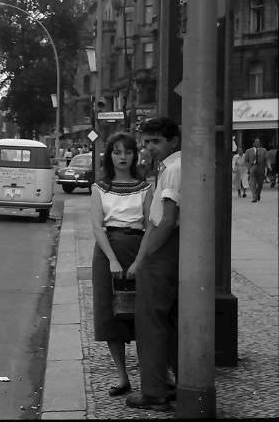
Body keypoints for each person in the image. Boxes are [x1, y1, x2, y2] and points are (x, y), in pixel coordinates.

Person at [90, 132, 153, 398]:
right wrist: (113, 259)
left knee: (145, 314)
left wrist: (140, 260)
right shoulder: (99, 187)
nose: (122, 157)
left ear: (134, 155)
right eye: (117, 152)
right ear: (110, 156)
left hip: (139, 247)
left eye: (127, 152)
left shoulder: (145, 187)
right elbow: (97, 226)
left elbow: (151, 226)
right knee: (109, 314)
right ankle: (122, 376)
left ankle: (152, 377)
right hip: (107, 252)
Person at [125, 116, 181, 412]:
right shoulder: (170, 167)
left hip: (163, 250)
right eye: (146, 142)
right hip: (167, 247)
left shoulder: (173, 169)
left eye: (155, 141)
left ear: (173, 140)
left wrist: (144, 257)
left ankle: (155, 390)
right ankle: (169, 382)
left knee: (150, 322)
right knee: (167, 321)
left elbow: (167, 220)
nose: (149, 147)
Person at [244, 137, 267, 203]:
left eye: (258, 142)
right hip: (252, 167)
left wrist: (268, 166)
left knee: (260, 184)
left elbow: (266, 159)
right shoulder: (248, 151)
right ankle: (254, 197)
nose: (257, 143)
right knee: (252, 183)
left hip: (261, 167)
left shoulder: (264, 150)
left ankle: (258, 194)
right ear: (253, 143)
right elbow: (246, 161)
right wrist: (249, 167)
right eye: (256, 142)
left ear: (260, 143)